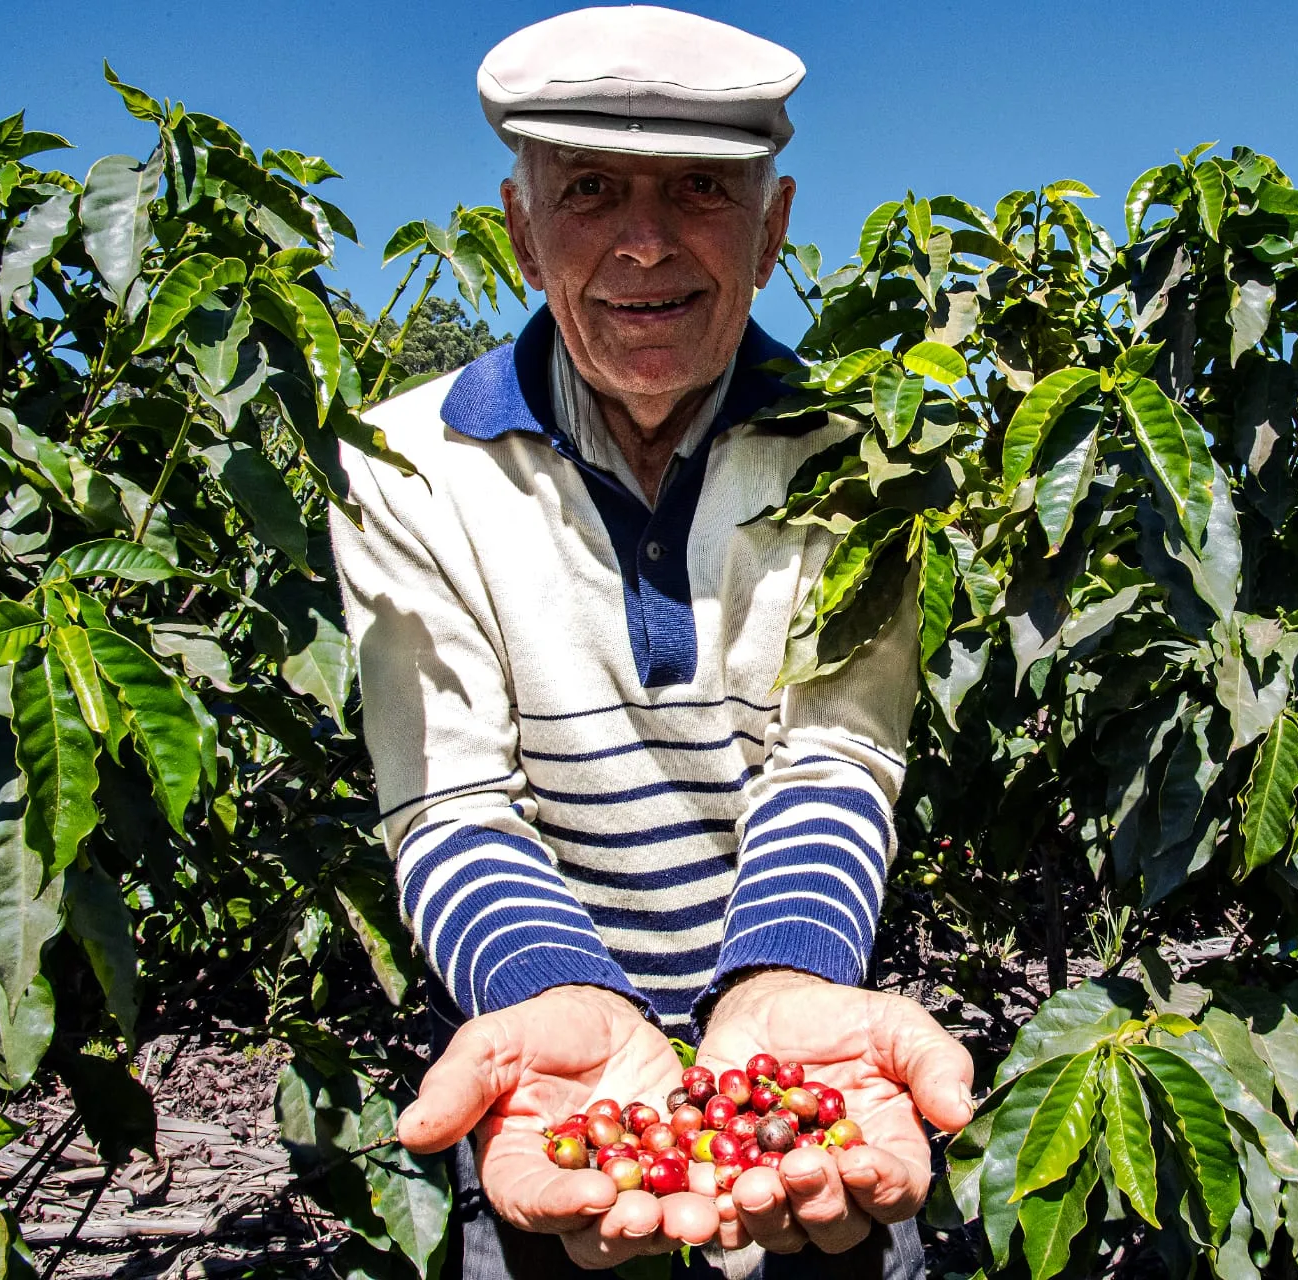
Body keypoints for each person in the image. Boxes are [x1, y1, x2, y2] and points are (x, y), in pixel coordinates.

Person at [329, 7, 975, 1275]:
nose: (643, 243)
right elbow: (450, 798)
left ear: (773, 224)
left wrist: (777, 982)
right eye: (586, 191)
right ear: (519, 230)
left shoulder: (867, 463)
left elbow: (835, 760)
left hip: (805, 1070)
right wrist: (554, 994)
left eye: (698, 191)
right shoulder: (404, 465)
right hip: (551, 1080)